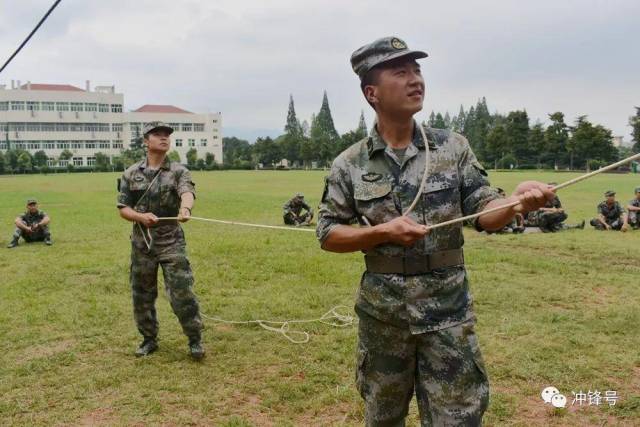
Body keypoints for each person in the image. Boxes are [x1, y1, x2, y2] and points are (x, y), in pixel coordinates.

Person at [317, 36, 555, 426]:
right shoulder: (350, 163)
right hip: (384, 319)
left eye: (417, 70)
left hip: (448, 316)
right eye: (401, 72)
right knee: (383, 418)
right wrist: (381, 233)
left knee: (458, 419)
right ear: (371, 92)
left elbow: (484, 211)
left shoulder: (452, 147)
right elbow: (327, 234)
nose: (416, 80)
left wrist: (515, 203)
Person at [117, 121, 205, 359]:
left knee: (182, 292)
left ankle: (195, 339)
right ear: (146, 141)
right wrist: (140, 217)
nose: (164, 138)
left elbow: (187, 191)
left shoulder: (178, 171)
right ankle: (148, 339)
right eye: (157, 134)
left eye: (167, 135)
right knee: (142, 294)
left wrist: (186, 209)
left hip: (171, 241)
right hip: (142, 243)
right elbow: (123, 208)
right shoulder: (131, 173)